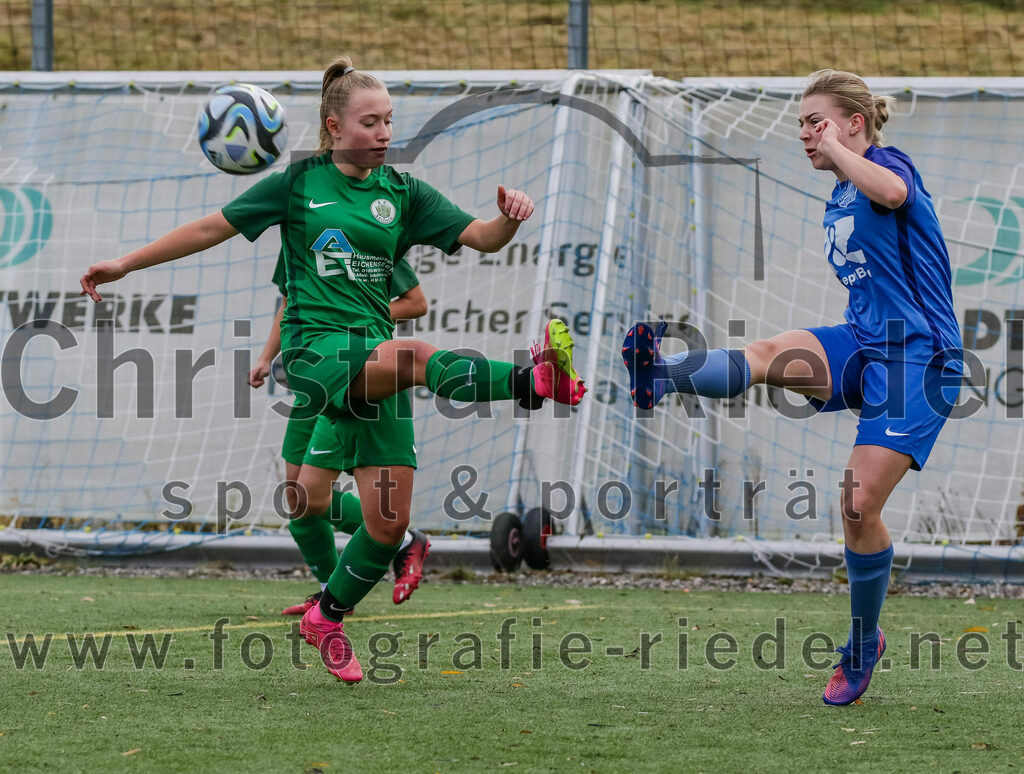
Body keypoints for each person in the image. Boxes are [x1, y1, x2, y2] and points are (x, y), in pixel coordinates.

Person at [80, 55, 586, 684]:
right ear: (333, 125)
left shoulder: (403, 193)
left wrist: (510, 217)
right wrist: (125, 265)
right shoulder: (299, 184)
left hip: (370, 362)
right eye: (370, 122)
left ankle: (327, 616)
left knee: (387, 525)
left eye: (388, 121)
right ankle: (534, 380)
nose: (383, 132)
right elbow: (211, 227)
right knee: (414, 360)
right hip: (317, 354)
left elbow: (482, 237)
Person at [623, 69, 961, 706]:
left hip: (920, 357)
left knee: (858, 508)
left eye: (816, 122)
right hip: (864, 342)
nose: (803, 134)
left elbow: (891, 192)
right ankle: (659, 378)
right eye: (801, 124)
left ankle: (864, 643)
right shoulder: (837, 194)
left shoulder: (885, 163)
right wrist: (835, 158)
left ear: (853, 123)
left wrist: (840, 151)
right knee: (768, 352)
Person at [248, 253, 431, 614]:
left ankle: (403, 542)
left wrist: (346, 321)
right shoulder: (296, 234)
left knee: (311, 495)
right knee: (297, 501)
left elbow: (416, 302)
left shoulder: (368, 236)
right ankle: (331, 594)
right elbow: (291, 303)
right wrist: (266, 357)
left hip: (349, 373)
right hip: (310, 379)